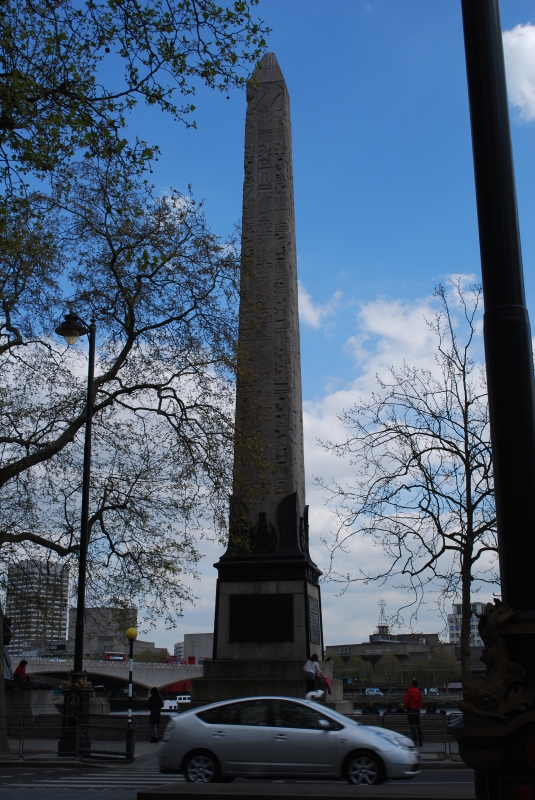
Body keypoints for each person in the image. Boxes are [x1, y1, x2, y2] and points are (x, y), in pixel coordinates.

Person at [403, 679, 423, 747]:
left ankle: (414, 742)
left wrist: (407, 708)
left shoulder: (409, 690)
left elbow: (406, 701)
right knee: (418, 726)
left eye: (410, 683)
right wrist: (418, 708)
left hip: (411, 710)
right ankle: (421, 742)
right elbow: (421, 702)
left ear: (412, 684)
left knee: (412, 727)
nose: (410, 683)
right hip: (417, 710)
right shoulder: (419, 691)